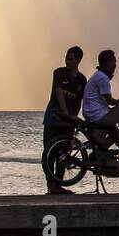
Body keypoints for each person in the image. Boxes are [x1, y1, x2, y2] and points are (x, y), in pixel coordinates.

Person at [42, 46, 87, 195]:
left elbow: (79, 100)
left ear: (78, 60)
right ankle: (51, 185)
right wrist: (66, 113)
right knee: (50, 152)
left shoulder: (82, 79)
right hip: (53, 118)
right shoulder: (59, 73)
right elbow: (59, 93)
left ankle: (59, 184)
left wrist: (73, 117)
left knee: (64, 154)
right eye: (66, 58)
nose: (67, 61)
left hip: (68, 122)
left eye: (71, 59)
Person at [82, 50, 119, 152]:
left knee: (114, 129)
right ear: (108, 63)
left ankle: (103, 150)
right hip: (98, 116)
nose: (115, 65)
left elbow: (104, 102)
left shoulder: (97, 75)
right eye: (114, 62)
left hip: (92, 114)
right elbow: (109, 100)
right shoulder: (103, 78)